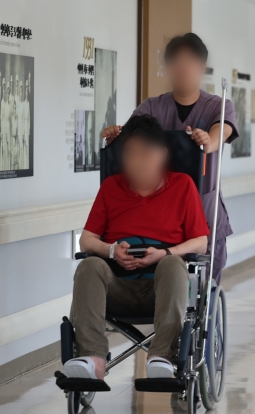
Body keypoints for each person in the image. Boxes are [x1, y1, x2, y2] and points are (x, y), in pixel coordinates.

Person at [63, 115, 210, 381]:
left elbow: (201, 241)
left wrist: (165, 253)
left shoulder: (182, 186)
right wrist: (111, 251)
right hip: (118, 287)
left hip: (163, 290)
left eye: (146, 154)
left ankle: (162, 356)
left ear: (162, 155)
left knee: (173, 264)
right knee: (89, 265)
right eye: (131, 153)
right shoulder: (111, 188)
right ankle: (93, 358)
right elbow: (87, 240)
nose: (138, 162)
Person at [102, 33, 238, 284]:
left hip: (204, 215)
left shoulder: (218, 106)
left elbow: (221, 132)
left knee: (203, 294)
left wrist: (208, 141)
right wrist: (115, 140)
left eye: (190, 62)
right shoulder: (151, 108)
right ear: (167, 67)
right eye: (177, 62)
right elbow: (131, 142)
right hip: (158, 217)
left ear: (202, 67)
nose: (183, 68)